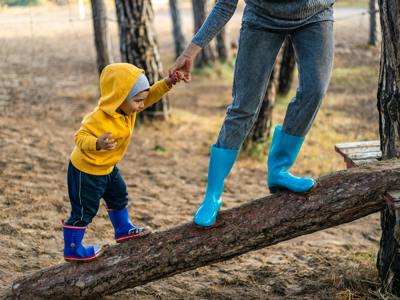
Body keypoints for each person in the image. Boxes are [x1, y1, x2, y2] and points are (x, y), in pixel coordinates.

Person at [169, 0, 335, 228]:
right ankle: (212, 195)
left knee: (314, 91)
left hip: (315, 14)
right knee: (243, 106)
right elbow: (225, 5)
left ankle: (279, 170)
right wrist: (191, 51)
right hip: (262, 18)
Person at [63, 63, 182, 261]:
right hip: (87, 171)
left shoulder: (129, 109)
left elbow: (149, 95)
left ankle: (123, 229)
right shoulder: (97, 118)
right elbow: (79, 137)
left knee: (119, 195)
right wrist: (97, 143)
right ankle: (73, 248)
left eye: (141, 101)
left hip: (108, 168)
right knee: (85, 210)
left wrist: (168, 83)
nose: (141, 105)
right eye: (137, 101)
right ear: (119, 98)